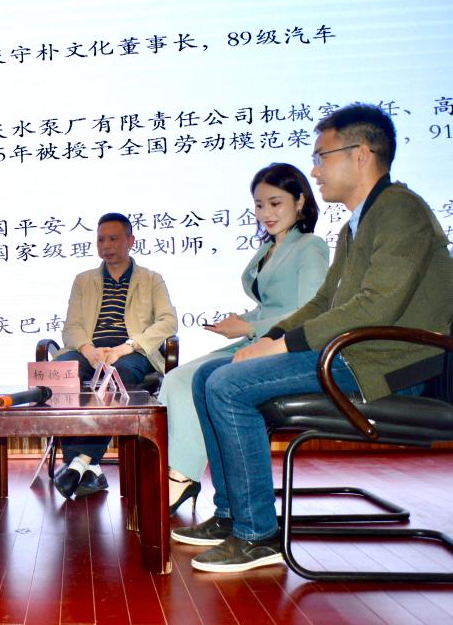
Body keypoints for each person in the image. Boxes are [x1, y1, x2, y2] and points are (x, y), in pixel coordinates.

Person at [173, 103, 453, 573]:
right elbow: (324, 303)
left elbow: (375, 306)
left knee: (227, 385)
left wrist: (281, 344)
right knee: (208, 377)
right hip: (357, 357)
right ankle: (231, 514)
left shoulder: (400, 210)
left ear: (361, 154)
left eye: (322, 156)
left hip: (386, 367)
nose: (316, 170)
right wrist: (269, 338)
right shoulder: (357, 224)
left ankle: (258, 535)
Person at [160, 163, 328, 515]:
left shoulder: (310, 246)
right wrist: (241, 322)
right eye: (259, 205)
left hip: (284, 347)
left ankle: (183, 475)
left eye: (275, 203)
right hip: (256, 340)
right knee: (176, 380)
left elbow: (308, 311)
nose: (266, 213)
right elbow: (270, 306)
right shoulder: (269, 248)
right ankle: (181, 472)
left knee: (187, 380)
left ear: (300, 201)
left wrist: (250, 328)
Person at [52, 212, 178, 500]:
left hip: (131, 352)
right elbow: (71, 327)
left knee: (118, 376)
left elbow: (168, 321)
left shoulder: (151, 279)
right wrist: (88, 350)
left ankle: (79, 463)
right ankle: (89, 468)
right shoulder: (83, 280)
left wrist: (126, 347)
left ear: (131, 241)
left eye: (113, 238)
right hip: (90, 350)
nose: (106, 245)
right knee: (61, 372)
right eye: (101, 240)